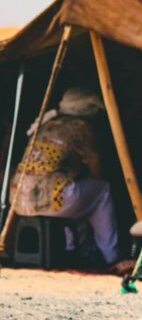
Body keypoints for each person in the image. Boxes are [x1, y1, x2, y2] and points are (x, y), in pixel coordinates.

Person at [10, 87, 129, 274]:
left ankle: (72, 249)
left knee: (78, 194)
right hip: (50, 199)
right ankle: (111, 255)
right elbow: (96, 170)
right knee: (101, 191)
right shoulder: (80, 127)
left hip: (19, 198)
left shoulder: (46, 124)